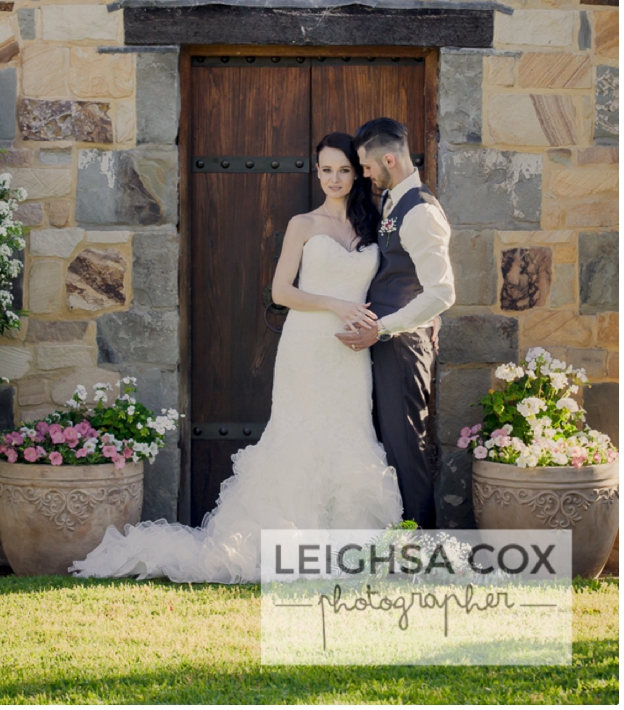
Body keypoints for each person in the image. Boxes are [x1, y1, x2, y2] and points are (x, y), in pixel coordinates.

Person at [70, 132, 402, 584]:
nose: (334, 178)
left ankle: (345, 548)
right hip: (307, 349)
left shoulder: (373, 224)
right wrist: (336, 304)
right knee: (298, 436)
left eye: (343, 169)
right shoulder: (304, 224)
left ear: (357, 172)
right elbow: (281, 291)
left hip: (350, 354)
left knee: (349, 433)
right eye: (325, 170)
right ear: (317, 172)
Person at [339, 118, 455, 529]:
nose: (365, 175)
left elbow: (442, 292)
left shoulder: (420, 211)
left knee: (408, 446)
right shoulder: (394, 200)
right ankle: (398, 538)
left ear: (389, 159)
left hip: (402, 345)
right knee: (391, 442)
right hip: (389, 340)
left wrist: (384, 328)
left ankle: (421, 547)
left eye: (368, 167)